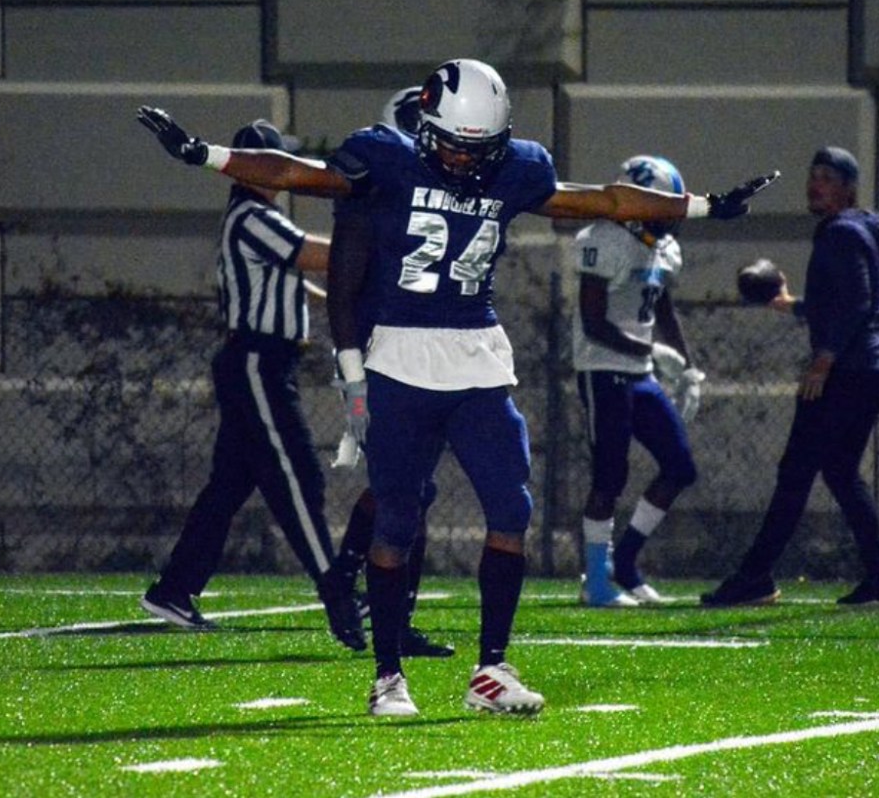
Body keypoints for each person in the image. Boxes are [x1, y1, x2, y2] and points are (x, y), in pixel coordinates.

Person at [137, 57, 765, 717]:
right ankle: (388, 676)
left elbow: (605, 200)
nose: (466, 160)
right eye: (454, 145)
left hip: (476, 354)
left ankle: (491, 669)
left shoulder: (515, 167)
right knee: (396, 520)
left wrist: (703, 205)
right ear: (427, 125)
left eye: (479, 147)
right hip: (400, 355)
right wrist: (204, 154)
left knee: (511, 509)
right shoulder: (385, 158)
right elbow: (297, 174)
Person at [140, 119, 366, 650]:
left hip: (262, 363)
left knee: (228, 487)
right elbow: (311, 254)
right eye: (275, 163)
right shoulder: (252, 217)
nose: (284, 173)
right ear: (254, 167)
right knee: (298, 476)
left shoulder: (256, 218)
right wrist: (377, 247)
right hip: (257, 363)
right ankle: (336, 591)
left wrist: (332, 301)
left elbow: (293, 279)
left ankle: (174, 589)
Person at [700, 146, 879, 608]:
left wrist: (823, 360)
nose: (816, 184)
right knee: (838, 471)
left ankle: (754, 577)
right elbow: (841, 304)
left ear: (848, 190)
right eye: (813, 175)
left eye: (828, 178)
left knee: (795, 474)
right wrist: (790, 305)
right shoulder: (856, 230)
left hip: (847, 375)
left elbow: (856, 303)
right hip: (871, 372)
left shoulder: (840, 232)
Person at [328, 86, 455, 659]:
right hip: (382, 352)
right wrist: (352, 369)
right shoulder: (374, 194)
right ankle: (348, 580)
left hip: (427, 350)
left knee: (414, 490)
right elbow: (343, 291)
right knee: (406, 488)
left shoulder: (435, 189)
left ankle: (383, 607)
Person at [573, 155, 703, 608]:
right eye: (660, 205)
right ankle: (595, 580)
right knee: (609, 476)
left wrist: (687, 365)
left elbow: (661, 304)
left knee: (679, 466)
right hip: (602, 369)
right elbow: (594, 323)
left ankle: (624, 562)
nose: (668, 216)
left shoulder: (663, 248)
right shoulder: (603, 240)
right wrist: (651, 352)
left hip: (639, 373)